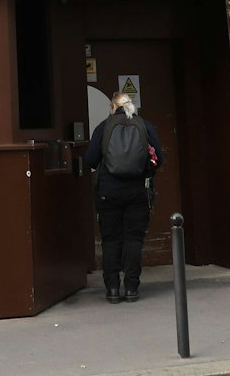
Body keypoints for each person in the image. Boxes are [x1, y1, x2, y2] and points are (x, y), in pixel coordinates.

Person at [83, 91, 162, 303]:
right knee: (134, 239)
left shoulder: (104, 127)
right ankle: (131, 289)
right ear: (131, 106)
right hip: (137, 191)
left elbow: (90, 159)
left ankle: (112, 290)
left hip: (108, 192)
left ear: (113, 107)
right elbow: (159, 158)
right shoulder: (145, 126)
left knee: (111, 240)